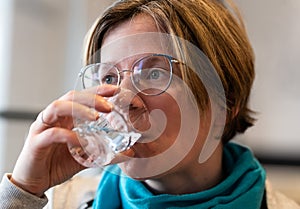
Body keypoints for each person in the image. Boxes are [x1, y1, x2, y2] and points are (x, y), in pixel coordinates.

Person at [0, 0, 299, 208]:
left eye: (155, 73)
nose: (123, 99)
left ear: (225, 104)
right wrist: (24, 190)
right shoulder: (57, 202)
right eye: (110, 77)